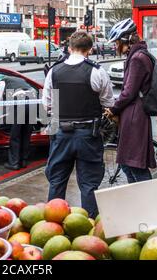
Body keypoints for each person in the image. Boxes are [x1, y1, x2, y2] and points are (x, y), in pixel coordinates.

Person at [42, 31, 114, 218]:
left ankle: (52, 224)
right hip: (88, 135)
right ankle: (89, 228)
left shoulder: (54, 71)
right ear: (89, 50)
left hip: (61, 134)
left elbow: (47, 104)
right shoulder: (97, 71)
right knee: (89, 184)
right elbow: (108, 102)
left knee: (57, 181)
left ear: (69, 48)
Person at [104, 18, 156, 183]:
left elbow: (128, 92)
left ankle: (147, 201)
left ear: (125, 39)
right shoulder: (138, 55)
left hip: (135, 117)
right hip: (133, 115)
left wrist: (113, 109)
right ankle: (138, 200)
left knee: (135, 165)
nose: (115, 46)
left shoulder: (137, 58)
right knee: (127, 163)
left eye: (117, 41)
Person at [0, 76, 37, 170]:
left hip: (20, 102)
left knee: (15, 135)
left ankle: (14, 163)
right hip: (33, 101)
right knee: (26, 134)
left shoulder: (1, 82)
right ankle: (23, 161)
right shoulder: (20, 80)